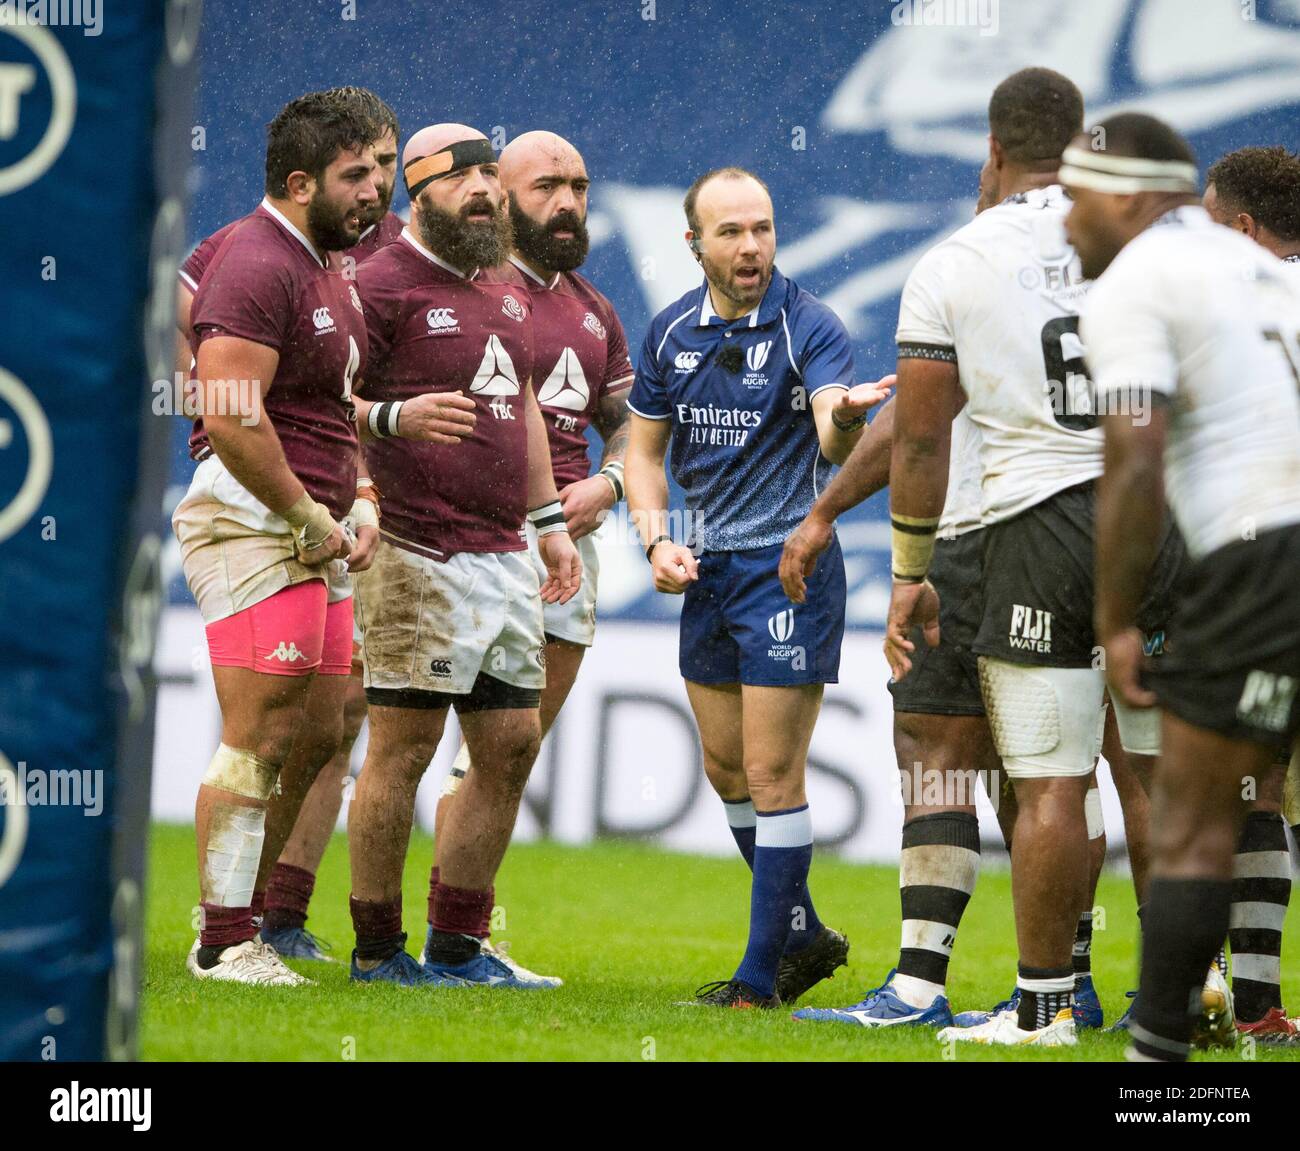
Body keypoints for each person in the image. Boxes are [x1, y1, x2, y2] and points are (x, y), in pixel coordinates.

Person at [883, 68, 1178, 1048]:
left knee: (1051, 780)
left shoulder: (955, 260)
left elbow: (921, 442)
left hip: (1038, 525)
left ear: (993, 148)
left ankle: (1045, 1005)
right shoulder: (1152, 237)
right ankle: (1190, 993)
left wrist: (907, 572)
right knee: (1158, 773)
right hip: (1166, 513)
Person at [625, 166, 891, 1008]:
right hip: (704, 567)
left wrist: (845, 414)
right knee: (725, 767)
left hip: (787, 567)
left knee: (775, 774)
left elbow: (831, 427)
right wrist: (656, 539)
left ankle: (757, 980)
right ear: (694, 242)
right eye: (732, 231)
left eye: (763, 229)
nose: (751, 247)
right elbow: (641, 453)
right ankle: (803, 931)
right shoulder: (670, 333)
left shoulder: (808, 325)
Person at [1067, 113, 1300, 1062]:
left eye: (1077, 201)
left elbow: (1134, 455)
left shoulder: (1138, 281)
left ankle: (1159, 1076)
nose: (1067, 225)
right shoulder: (1271, 274)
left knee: (1197, 826)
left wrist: (1116, 617)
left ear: (1124, 195)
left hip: (1259, 553)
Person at [346, 123, 580, 988]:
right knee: (402, 751)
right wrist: (391, 419)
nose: (483, 191)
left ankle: (457, 944)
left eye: (491, 175)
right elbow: (326, 400)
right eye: (463, 178)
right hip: (414, 548)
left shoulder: (508, 289)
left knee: (512, 742)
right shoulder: (378, 284)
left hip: (503, 551)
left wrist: (549, 518)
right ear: (419, 189)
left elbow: (520, 405)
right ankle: (377, 949)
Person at [172, 89, 381, 984]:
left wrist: (362, 494)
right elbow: (227, 414)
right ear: (301, 184)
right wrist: (305, 515)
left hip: (314, 521)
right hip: (254, 518)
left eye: (383, 165)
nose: (378, 189)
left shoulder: (327, 264)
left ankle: (241, 913)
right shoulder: (257, 261)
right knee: (258, 731)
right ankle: (223, 940)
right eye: (358, 173)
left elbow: (333, 408)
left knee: (322, 726)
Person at [429, 130, 634, 985]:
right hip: (451, 542)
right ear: (498, 194)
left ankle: (460, 939)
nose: (569, 203)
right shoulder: (461, 289)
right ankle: (282, 922)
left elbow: (632, 424)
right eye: (548, 185)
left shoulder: (593, 310)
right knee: (381, 742)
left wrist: (614, 483)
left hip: (559, 556)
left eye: (581, 187)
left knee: (505, 757)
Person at [1201, 144, 1300, 1044]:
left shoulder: (1234, 312)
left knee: (1249, 786)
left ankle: (1251, 1007)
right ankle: (1262, 1009)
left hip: (1262, 578)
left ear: (1238, 227)